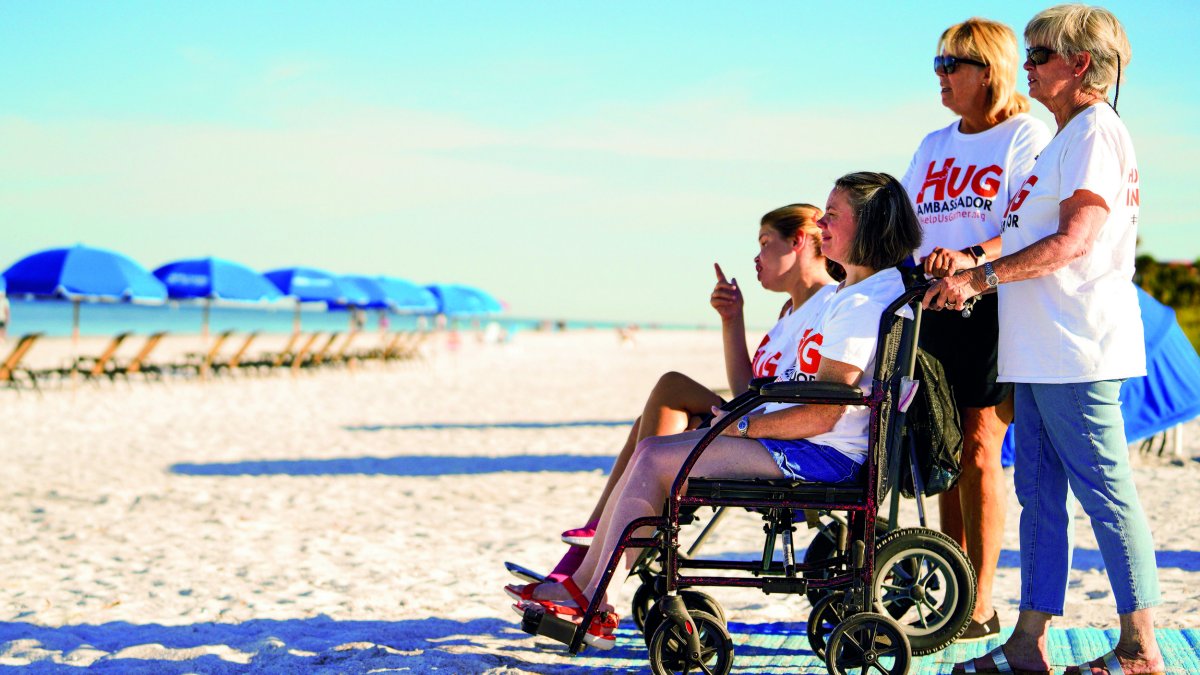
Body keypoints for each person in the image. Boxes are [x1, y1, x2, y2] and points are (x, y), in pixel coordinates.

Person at [510, 172, 922, 650]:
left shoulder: (859, 302)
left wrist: (743, 427)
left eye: (833, 215)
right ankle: (586, 590)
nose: (822, 223)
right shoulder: (858, 295)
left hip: (821, 455)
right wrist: (739, 421)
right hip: (812, 446)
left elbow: (824, 413)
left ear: (868, 224)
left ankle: (592, 598)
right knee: (654, 452)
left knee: (656, 458)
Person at [926, 6, 1165, 674]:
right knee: (1039, 497)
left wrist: (980, 278)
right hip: (1037, 351)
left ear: (1080, 64)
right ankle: (1029, 638)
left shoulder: (1094, 131)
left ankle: (1141, 648)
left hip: (1077, 349)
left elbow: (1075, 239)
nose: (1024, 65)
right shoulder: (1066, 134)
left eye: (1037, 54)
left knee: (1107, 495)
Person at [508, 203, 839, 586]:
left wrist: (747, 421)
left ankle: (594, 546)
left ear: (797, 242)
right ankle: (586, 555)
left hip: (777, 436)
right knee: (646, 426)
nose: (756, 257)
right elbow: (747, 389)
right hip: (755, 420)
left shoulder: (831, 305)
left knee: (670, 388)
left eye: (765, 243)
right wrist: (732, 320)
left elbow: (795, 399)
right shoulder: (789, 312)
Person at [900, 17, 1051, 641]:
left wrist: (968, 258)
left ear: (988, 69)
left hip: (991, 303)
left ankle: (981, 601)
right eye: (936, 63)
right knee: (942, 449)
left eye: (950, 64)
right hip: (930, 308)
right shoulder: (934, 143)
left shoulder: (1025, 134)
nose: (939, 75)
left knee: (981, 447)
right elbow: (905, 226)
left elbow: (1024, 223)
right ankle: (952, 590)